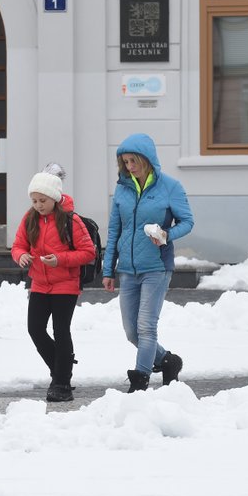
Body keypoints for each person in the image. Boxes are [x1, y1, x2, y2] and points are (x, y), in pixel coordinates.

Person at [101, 133, 194, 392]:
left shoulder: (170, 186)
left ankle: (139, 381)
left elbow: (187, 222)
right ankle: (168, 361)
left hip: (156, 267)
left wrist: (167, 235)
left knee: (146, 326)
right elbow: (114, 230)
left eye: (134, 161)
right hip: (128, 269)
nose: (130, 167)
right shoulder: (122, 188)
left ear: (147, 159)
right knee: (132, 332)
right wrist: (108, 269)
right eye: (125, 162)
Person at [12, 164, 95, 402]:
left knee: (61, 331)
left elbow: (88, 252)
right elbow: (18, 245)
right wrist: (21, 256)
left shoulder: (71, 220)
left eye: (42, 201)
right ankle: (61, 367)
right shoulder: (30, 218)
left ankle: (62, 383)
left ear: (55, 199)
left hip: (65, 285)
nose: (38, 205)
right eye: (34, 200)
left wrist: (60, 260)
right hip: (39, 283)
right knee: (35, 330)